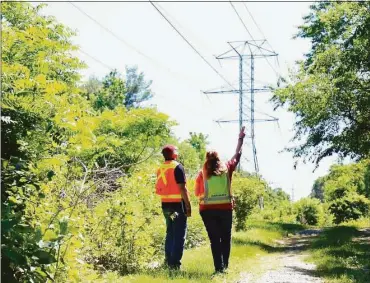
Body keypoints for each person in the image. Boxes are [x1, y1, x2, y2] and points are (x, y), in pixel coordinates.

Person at [194, 126, 245, 274]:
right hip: (225, 209)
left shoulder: (201, 173)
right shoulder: (227, 168)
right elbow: (237, 155)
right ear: (218, 158)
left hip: (207, 210)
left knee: (214, 240)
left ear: (206, 160)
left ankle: (218, 268)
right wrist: (240, 139)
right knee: (225, 238)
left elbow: (197, 193)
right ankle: (225, 267)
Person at [156, 144, 192, 270]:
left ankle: (168, 260)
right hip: (177, 206)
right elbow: (182, 188)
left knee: (170, 232)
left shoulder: (160, 168)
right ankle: (174, 264)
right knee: (179, 234)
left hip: (165, 205)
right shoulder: (177, 167)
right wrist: (188, 205)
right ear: (174, 154)